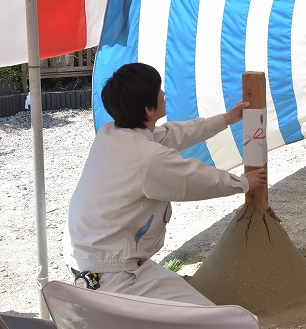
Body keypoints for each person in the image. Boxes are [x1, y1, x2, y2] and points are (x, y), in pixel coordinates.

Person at [63, 62, 267, 305]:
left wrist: (225, 119)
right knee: (210, 318)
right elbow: (194, 179)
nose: (164, 94)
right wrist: (242, 182)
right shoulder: (148, 158)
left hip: (90, 259)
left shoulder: (111, 133)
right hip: (113, 274)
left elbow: (171, 134)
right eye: (159, 90)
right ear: (149, 109)